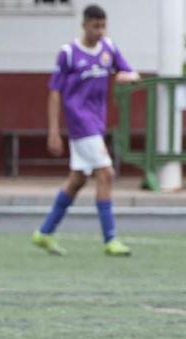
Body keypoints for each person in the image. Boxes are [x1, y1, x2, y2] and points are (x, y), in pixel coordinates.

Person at [33, 5, 139, 256]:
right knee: (106, 173)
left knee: (78, 179)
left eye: (103, 26)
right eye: (95, 26)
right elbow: (54, 93)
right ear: (84, 25)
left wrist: (129, 77)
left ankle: (44, 232)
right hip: (80, 122)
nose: (100, 31)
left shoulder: (108, 49)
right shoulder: (68, 53)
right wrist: (53, 130)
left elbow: (130, 72)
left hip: (97, 122)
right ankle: (110, 239)